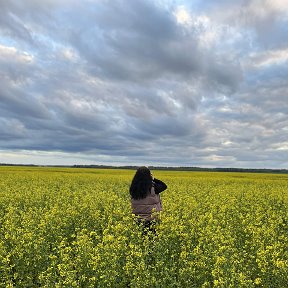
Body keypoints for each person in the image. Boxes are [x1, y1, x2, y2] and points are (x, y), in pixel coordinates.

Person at [129, 166, 167, 233]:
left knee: (140, 237)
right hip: (151, 219)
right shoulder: (153, 188)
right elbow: (164, 186)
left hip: (137, 219)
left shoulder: (133, 188)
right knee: (152, 239)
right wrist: (153, 179)